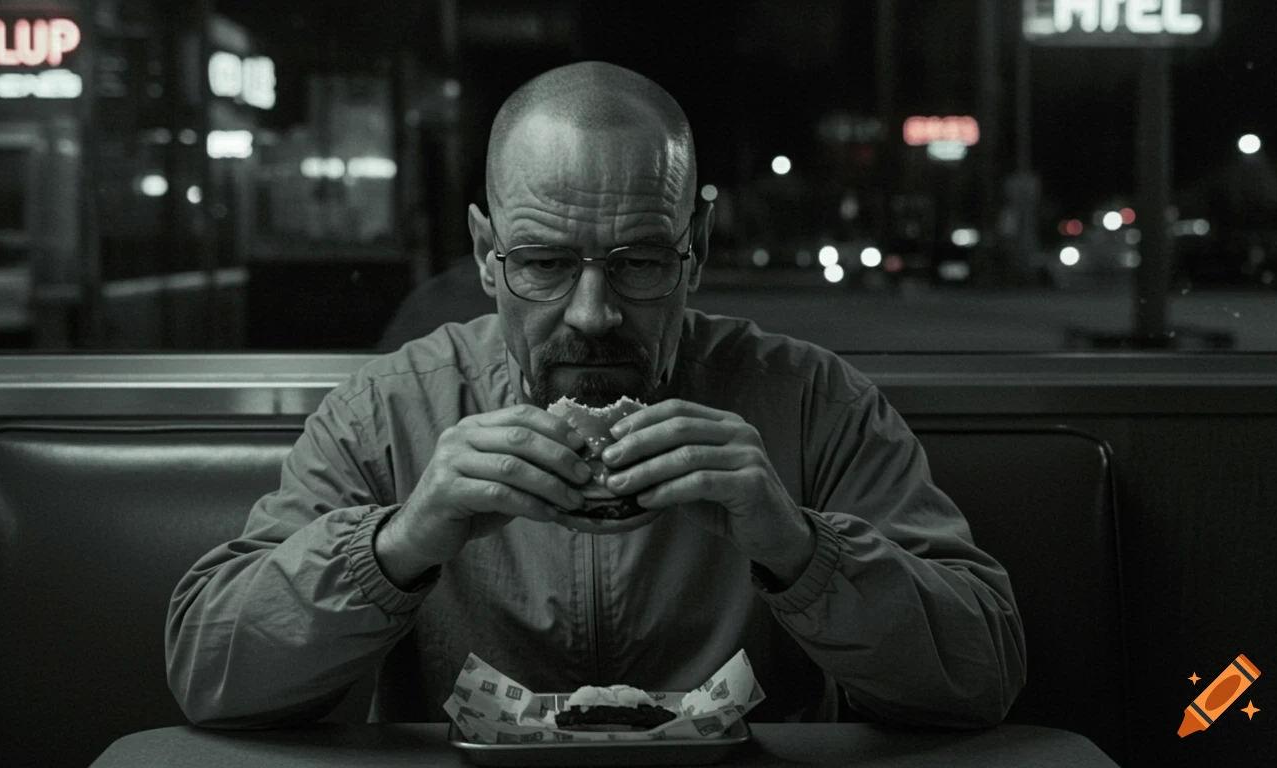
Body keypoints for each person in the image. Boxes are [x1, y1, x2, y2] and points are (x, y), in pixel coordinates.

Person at [166, 61, 1026, 730]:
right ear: (484, 252)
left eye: (640, 262)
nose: (593, 313)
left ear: (698, 246)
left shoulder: (809, 401)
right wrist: (399, 542)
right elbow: (210, 674)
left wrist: (798, 547)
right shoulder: (390, 409)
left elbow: (983, 671)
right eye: (543, 263)